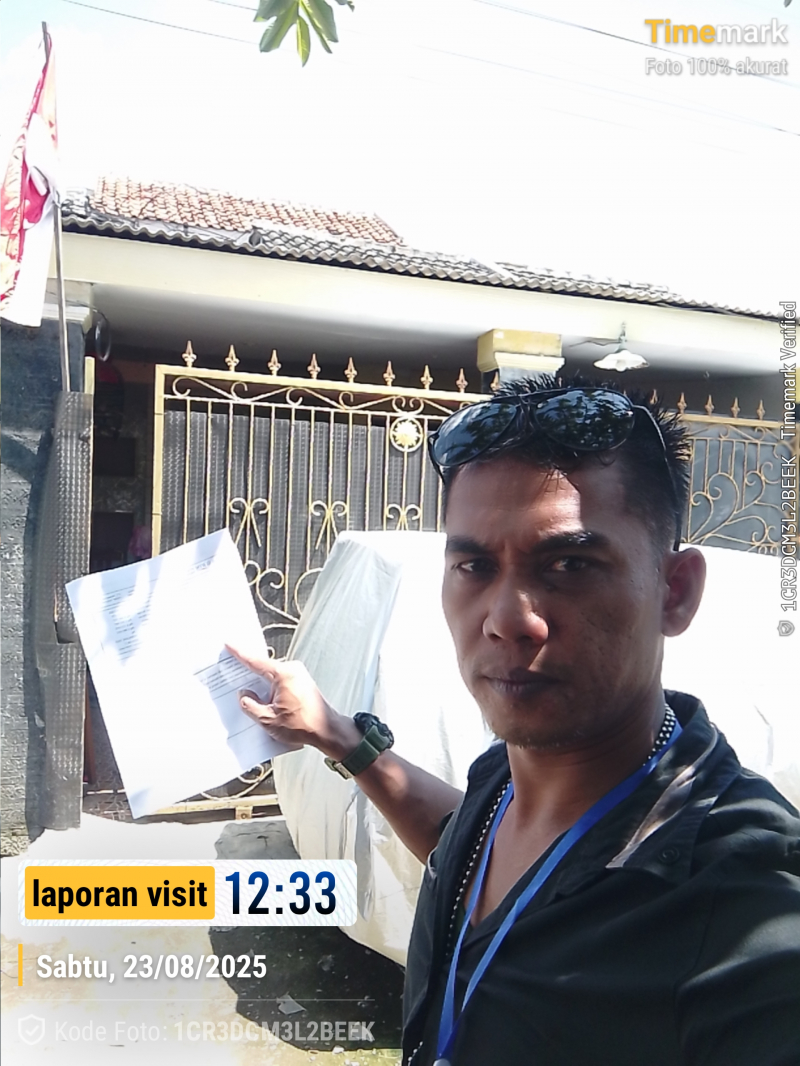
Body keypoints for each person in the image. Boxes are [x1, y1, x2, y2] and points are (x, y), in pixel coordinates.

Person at [229, 375, 800, 1066]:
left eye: (569, 564)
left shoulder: (742, 894)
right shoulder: (503, 778)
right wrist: (335, 733)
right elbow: (465, 847)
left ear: (673, 592)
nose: (506, 619)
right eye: (474, 565)